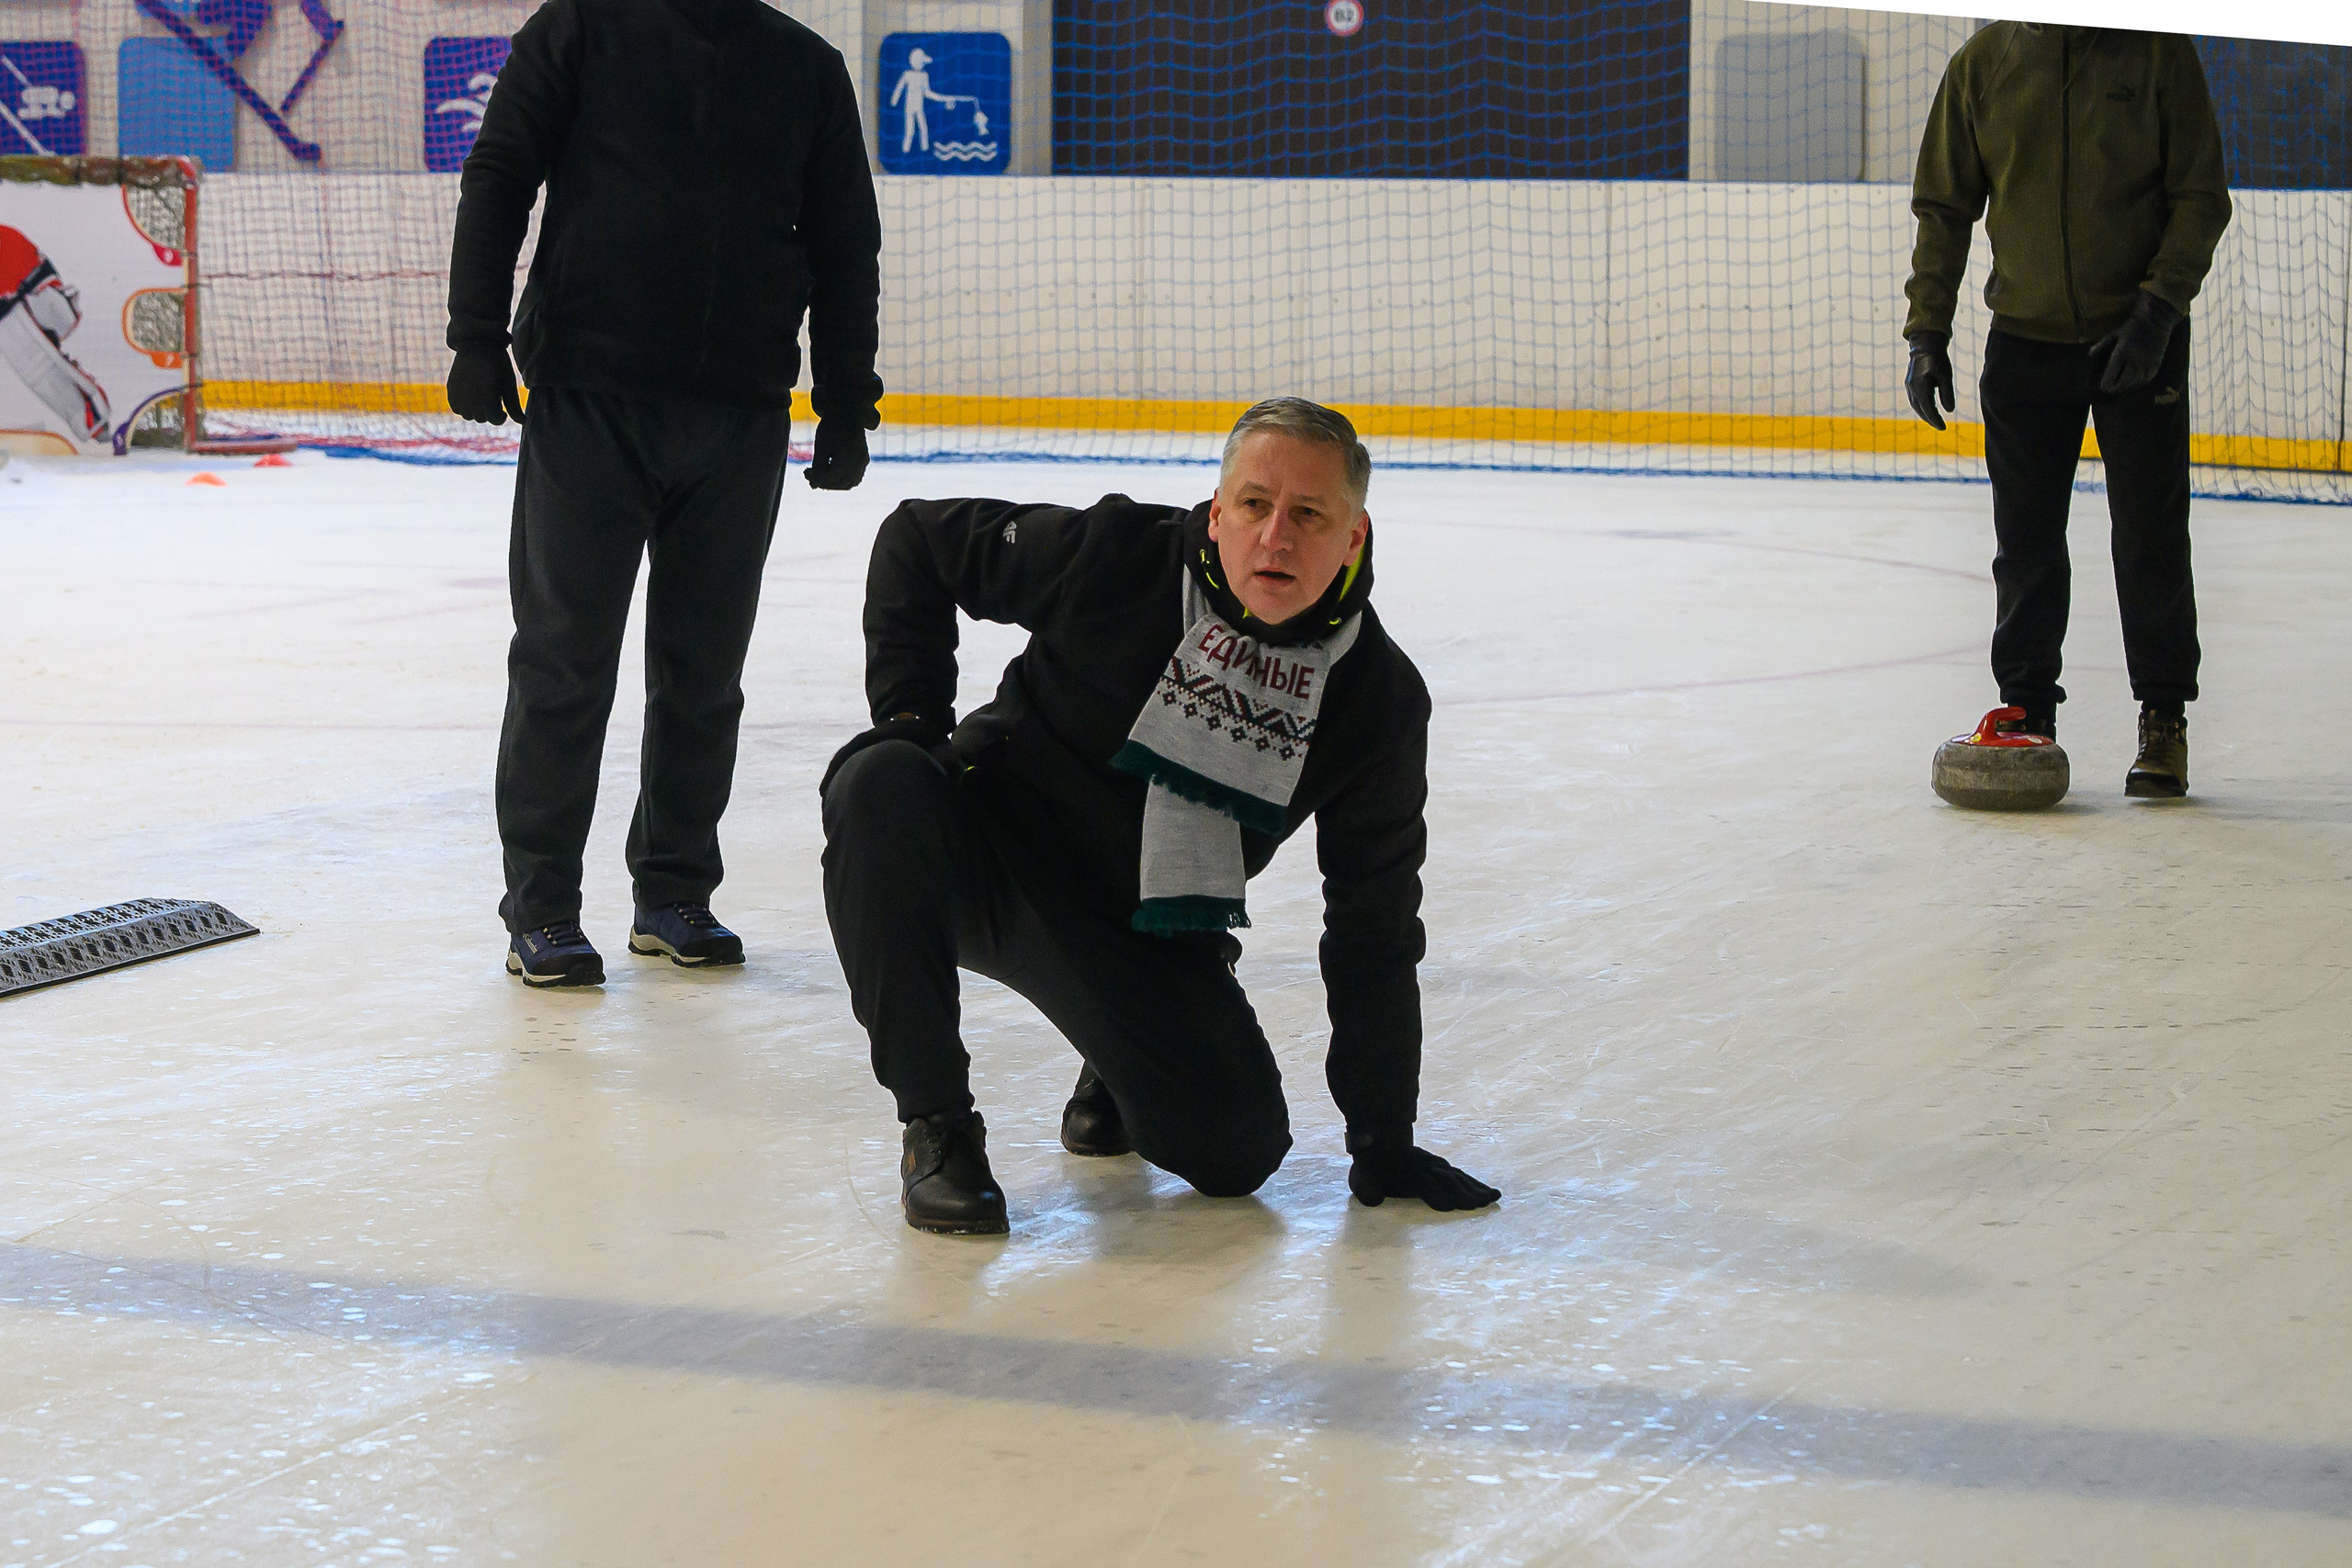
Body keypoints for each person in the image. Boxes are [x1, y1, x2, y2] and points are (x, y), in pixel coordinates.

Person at [820, 399, 1501, 1235]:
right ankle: (937, 1127)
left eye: (1308, 514)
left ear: (1354, 537)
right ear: (1218, 513)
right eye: (1254, 504)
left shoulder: (1375, 701)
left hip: (1139, 930)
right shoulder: (1117, 558)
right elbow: (917, 540)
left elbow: (1375, 925)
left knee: (1235, 1149)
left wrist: (1383, 1133)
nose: (1275, 536)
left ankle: (1111, 1066)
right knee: (880, 783)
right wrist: (913, 724)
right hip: (980, 856)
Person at [444, 0, 881, 986]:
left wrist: (846, 400)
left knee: (703, 674)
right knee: (564, 661)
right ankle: (543, 910)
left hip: (738, 412)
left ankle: (675, 893)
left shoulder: (803, 66)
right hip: (589, 396)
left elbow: (846, 243)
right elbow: (502, 170)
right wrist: (474, 331)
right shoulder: (579, 29)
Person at [1903, 24, 2230, 797]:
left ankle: (2162, 719)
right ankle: (2026, 709)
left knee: (2150, 534)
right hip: (2025, 343)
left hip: (2138, 336)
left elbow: (2200, 196)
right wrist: (1927, 330)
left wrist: (2156, 314)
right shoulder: (1984, 66)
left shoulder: (2157, 53)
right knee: (2025, 545)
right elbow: (1943, 207)